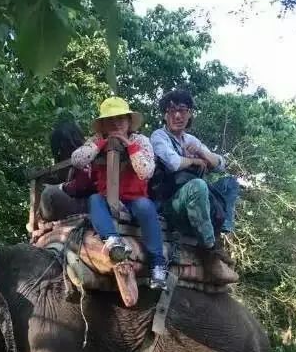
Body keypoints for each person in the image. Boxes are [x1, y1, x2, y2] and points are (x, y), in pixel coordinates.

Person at [71, 96, 167, 289]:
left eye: (120, 119)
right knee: (94, 199)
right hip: (107, 200)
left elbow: (145, 171)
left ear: (129, 122)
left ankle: (158, 264)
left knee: (146, 207)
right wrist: (101, 144)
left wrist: (129, 146)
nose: (116, 123)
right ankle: (113, 241)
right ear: (103, 125)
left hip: (135, 200)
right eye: (110, 120)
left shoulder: (141, 140)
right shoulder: (97, 141)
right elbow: (77, 160)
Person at [150, 89, 240, 249]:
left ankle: (223, 227)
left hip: (198, 201)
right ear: (165, 115)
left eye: (182, 111)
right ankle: (210, 246)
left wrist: (200, 152)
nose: (178, 116)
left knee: (229, 183)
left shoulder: (191, 140)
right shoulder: (159, 136)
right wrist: (196, 161)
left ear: (190, 114)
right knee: (198, 185)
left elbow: (220, 164)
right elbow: (173, 163)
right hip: (172, 203)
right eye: (172, 111)